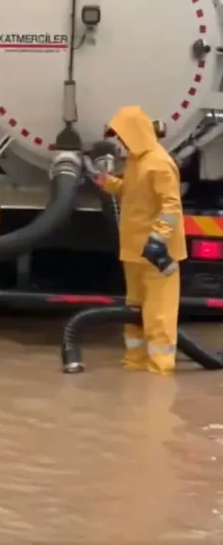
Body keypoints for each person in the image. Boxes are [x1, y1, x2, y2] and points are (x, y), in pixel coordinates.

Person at [86, 105, 185, 375]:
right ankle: (135, 364)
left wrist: (158, 239)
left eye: (122, 137)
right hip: (133, 252)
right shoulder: (136, 161)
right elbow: (132, 194)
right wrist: (109, 184)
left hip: (156, 255)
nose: (120, 143)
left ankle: (160, 371)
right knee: (135, 315)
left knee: (158, 317)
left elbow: (171, 206)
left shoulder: (160, 163)